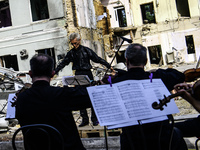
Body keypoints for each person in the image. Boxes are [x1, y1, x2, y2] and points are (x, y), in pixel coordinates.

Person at [112, 43, 187, 150]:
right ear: (146, 61)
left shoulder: (117, 82)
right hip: (161, 141)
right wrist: (156, 70)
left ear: (127, 61)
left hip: (133, 142)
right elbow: (180, 76)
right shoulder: (158, 78)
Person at [16, 53, 92, 150]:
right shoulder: (61, 94)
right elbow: (89, 97)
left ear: (30, 74)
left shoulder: (21, 98)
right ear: (52, 74)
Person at [55, 32, 113, 127]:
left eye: (75, 43)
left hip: (87, 73)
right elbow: (63, 63)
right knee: (79, 96)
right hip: (78, 74)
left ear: (79, 40)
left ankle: (94, 119)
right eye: (72, 44)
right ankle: (84, 119)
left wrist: (108, 66)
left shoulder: (86, 50)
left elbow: (97, 59)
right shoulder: (71, 53)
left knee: (92, 96)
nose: (74, 45)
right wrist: (55, 71)